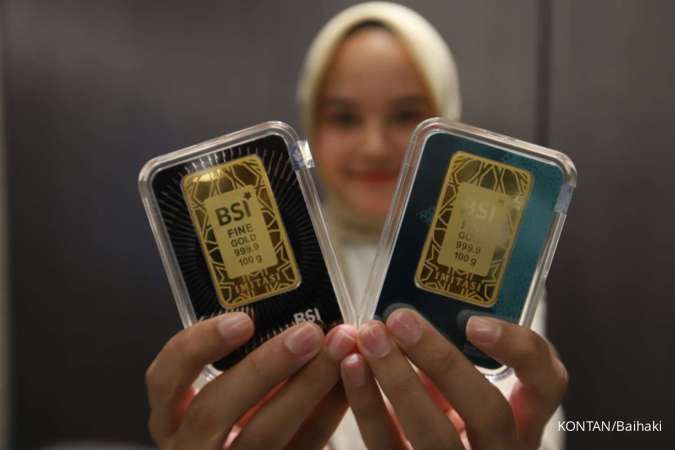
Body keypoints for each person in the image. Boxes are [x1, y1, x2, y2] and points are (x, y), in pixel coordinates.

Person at [144, 3, 568, 449]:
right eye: (344, 117)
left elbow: (525, 421)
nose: (374, 147)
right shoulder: (255, 262)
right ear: (311, 126)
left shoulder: (490, 268)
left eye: (405, 115)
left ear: (447, 120)